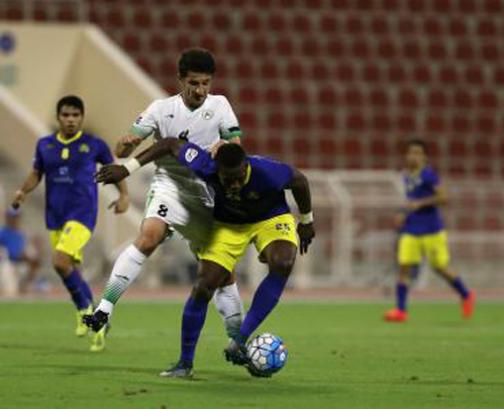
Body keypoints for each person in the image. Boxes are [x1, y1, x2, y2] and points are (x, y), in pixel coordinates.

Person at [92, 139, 315, 378]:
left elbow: (299, 180)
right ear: (217, 169)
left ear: (246, 166)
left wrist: (306, 221)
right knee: (203, 287)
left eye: (240, 177)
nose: (235, 184)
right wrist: (127, 168)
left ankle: (240, 338)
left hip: (270, 219)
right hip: (228, 226)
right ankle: (184, 364)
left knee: (283, 263)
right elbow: (170, 144)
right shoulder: (204, 164)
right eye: (229, 179)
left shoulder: (267, 172)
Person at [89, 48, 245, 343]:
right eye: (194, 83)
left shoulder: (220, 105)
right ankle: (104, 309)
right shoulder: (160, 109)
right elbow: (122, 148)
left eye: (206, 83)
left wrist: (226, 146)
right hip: (169, 185)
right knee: (149, 237)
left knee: (222, 271)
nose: (200, 90)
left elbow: (235, 143)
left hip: (206, 192)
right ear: (180, 80)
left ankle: (237, 339)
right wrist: (126, 144)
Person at [11, 95, 129, 351]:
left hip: (83, 213)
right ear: (58, 117)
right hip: (55, 215)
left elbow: (114, 169)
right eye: (66, 115)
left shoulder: (94, 144)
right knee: (70, 268)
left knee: (60, 261)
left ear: (82, 117)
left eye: (76, 115)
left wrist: (124, 195)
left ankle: (83, 309)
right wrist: (22, 191)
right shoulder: (45, 145)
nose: (71, 120)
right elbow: (36, 173)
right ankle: (98, 323)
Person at [384, 139, 475, 322]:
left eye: (418, 153)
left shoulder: (428, 175)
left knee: (440, 268)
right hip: (411, 229)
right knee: (404, 267)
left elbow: (444, 197)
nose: (413, 156)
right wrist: (403, 214)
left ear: (425, 157)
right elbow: (411, 202)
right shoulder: (407, 176)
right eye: (411, 152)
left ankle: (466, 294)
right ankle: (401, 311)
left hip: (431, 230)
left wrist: (421, 203)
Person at [0, 207, 41, 295]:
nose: (14, 220)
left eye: (16, 217)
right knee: (11, 292)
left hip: (21, 264)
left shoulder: (20, 233)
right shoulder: (2, 232)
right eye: (12, 217)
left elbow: (25, 251)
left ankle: (25, 286)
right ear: (7, 218)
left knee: (33, 257)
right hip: (8, 264)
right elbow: (10, 252)